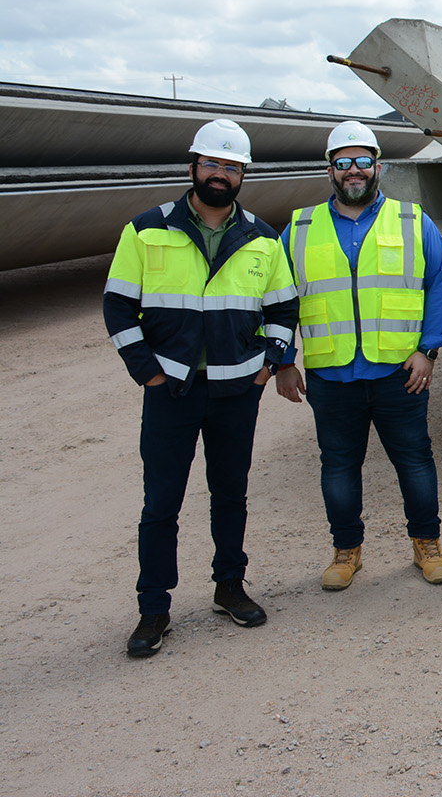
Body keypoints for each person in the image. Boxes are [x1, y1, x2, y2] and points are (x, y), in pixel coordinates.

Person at [104, 119, 298, 657]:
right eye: (213, 164)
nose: (221, 174)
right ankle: (153, 607)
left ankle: (229, 587)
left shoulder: (261, 236)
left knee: (230, 493)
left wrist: (271, 361)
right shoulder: (147, 229)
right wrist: (146, 368)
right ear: (193, 167)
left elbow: (283, 307)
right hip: (172, 390)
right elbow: (118, 304)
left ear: (243, 176)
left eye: (232, 167)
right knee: (161, 501)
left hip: (238, 391)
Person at [276, 121, 442, 591]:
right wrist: (282, 359)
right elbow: (276, 299)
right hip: (331, 374)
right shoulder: (297, 228)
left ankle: (427, 545)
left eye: (362, 162)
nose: (353, 171)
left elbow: (438, 282)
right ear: (330, 170)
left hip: (400, 371)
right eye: (343, 163)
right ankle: (346, 552)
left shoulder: (413, 220)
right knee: (338, 465)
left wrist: (429, 350)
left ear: (377, 166)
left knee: (415, 461)